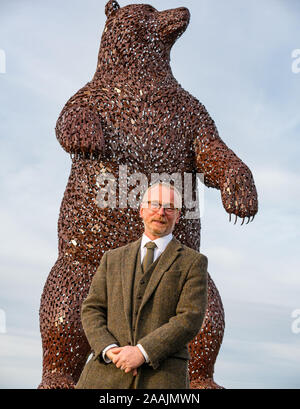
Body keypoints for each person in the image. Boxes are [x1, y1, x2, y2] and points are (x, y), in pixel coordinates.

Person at [75, 181, 208, 389]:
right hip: (104, 375)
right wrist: (109, 349)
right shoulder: (112, 259)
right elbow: (92, 309)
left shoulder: (194, 262)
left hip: (161, 379)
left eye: (170, 208)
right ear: (142, 210)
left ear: (178, 216)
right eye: (155, 204)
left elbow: (189, 318)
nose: (161, 212)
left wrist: (142, 352)